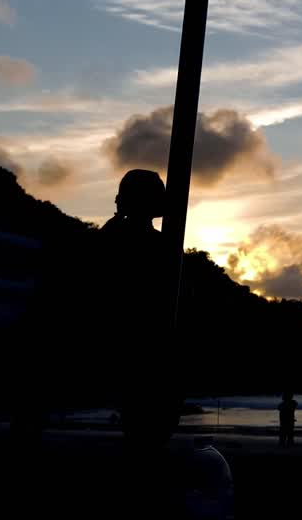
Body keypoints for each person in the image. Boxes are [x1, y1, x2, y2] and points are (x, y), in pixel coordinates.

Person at [101, 169, 178, 450]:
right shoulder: (147, 243)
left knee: (140, 422)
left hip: (133, 340)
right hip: (140, 340)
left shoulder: (112, 234)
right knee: (144, 424)